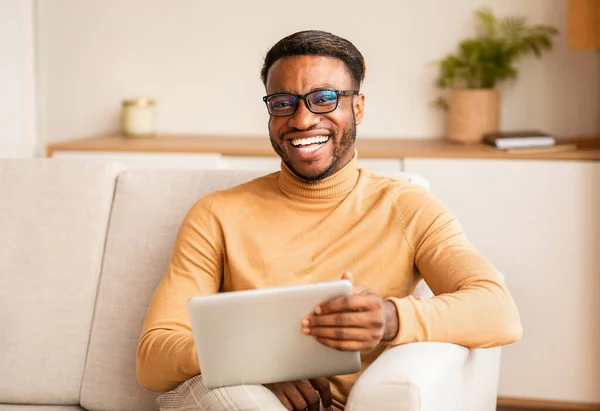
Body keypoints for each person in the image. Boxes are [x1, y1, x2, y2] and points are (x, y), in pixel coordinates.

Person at [136, 30, 522, 411]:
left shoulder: (407, 206)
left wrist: (391, 318)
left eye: (324, 99)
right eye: (283, 103)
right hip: (236, 396)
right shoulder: (215, 213)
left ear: (358, 107)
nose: (302, 120)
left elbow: (498, 310)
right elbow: (154, 356)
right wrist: (254, 364)